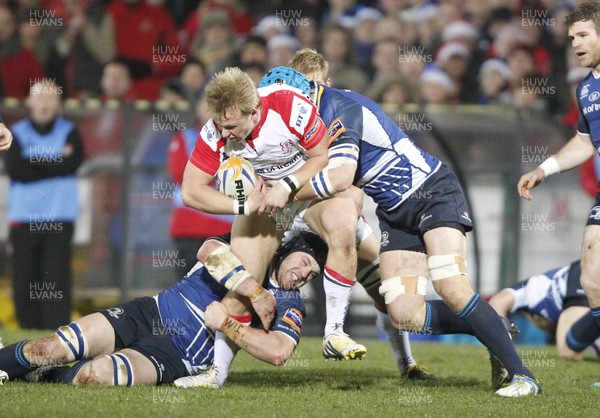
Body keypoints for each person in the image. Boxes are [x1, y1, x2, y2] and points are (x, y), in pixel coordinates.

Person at [266, 49, 541, 397]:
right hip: (395, 212)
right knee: (403, 313)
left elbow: (343, 177)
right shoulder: (308, 126)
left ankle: (524, 377)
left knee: (450, 286)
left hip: (431, 191)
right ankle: (491, 329)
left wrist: (286, 191)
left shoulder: (340, 106)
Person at [181, 67, 366, 361]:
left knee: (351, 231)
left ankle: (334, 333)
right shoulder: (215, 129)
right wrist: (242, 206)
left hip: (307, 194)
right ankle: (217, 374)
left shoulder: (289, 106)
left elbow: (322, 156)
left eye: (231, 126)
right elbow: (191, 192)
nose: (225, 133)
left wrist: (287, 185)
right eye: (221, 125)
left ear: (254, 111)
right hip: (265, 206)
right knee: (245, 283)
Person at [0, 233, 325, 387]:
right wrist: (253, 291)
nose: (304, 274)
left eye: (313, 274)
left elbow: (280, 352)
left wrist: (228, 323)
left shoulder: (289, 301)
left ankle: (45, 377)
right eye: (305, 262)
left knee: (97, 376)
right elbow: (208, 250)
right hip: (147, 314)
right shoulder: (247, 248)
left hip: (177, 356)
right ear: (288, 251)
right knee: (49, 347)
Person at [174, 214, 435, 389]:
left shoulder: (345, 213)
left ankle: (401, 361)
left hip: (340, 230)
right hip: (297, 225)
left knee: (387, 293)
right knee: (246, 277)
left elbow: (352, 196)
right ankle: (217, 372)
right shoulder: (283, 215)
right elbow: (210, 245)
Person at [517, 2, 600, 382]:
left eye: (584, 35)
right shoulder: (586, 90)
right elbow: (584, 142)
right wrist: (543, 168)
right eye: (571, 38)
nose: (576, 44)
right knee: (592, 277)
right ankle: (580, 338)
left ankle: (578, 338)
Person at [4, 81, 84, 329]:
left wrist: (34, 163)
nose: (44, 104)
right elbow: (16, 170)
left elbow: (72, 164)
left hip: (59, 219)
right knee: (24, 277)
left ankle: (56, 331)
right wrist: (57, 159)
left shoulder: (69, 130)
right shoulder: (15, 132)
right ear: (29, 102)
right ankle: (27, 330)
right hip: (24, 219)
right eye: (39, 98)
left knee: (56, 278)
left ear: (58, 103)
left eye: (50, 99)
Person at [489, 260, 600, 361]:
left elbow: (498, 302)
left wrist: (502, 346)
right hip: (583, 279)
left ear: (533, 316)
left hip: (581, 278)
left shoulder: (537, 289)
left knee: (569, 351)